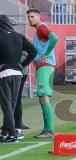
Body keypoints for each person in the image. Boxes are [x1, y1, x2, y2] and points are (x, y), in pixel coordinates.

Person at [0, 14, 37, 143]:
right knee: (11, 105)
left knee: (6, 105)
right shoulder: (19, 36)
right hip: (18, 74)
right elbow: (33, 51)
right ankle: (5, 132)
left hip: (4, 74)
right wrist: (23, 64)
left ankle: (12, 134)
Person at [27, 8, 58, 138]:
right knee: (42, 98)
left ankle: (50, 130)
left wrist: (45, 54)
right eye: (28, 17)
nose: (30, 19)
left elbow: (54, 38)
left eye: (32, 16)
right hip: (46, 67)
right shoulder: (39, 30)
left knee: (44, 98)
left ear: (39, 17)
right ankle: (47, 129)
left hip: (45, 67)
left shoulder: (41, 28)